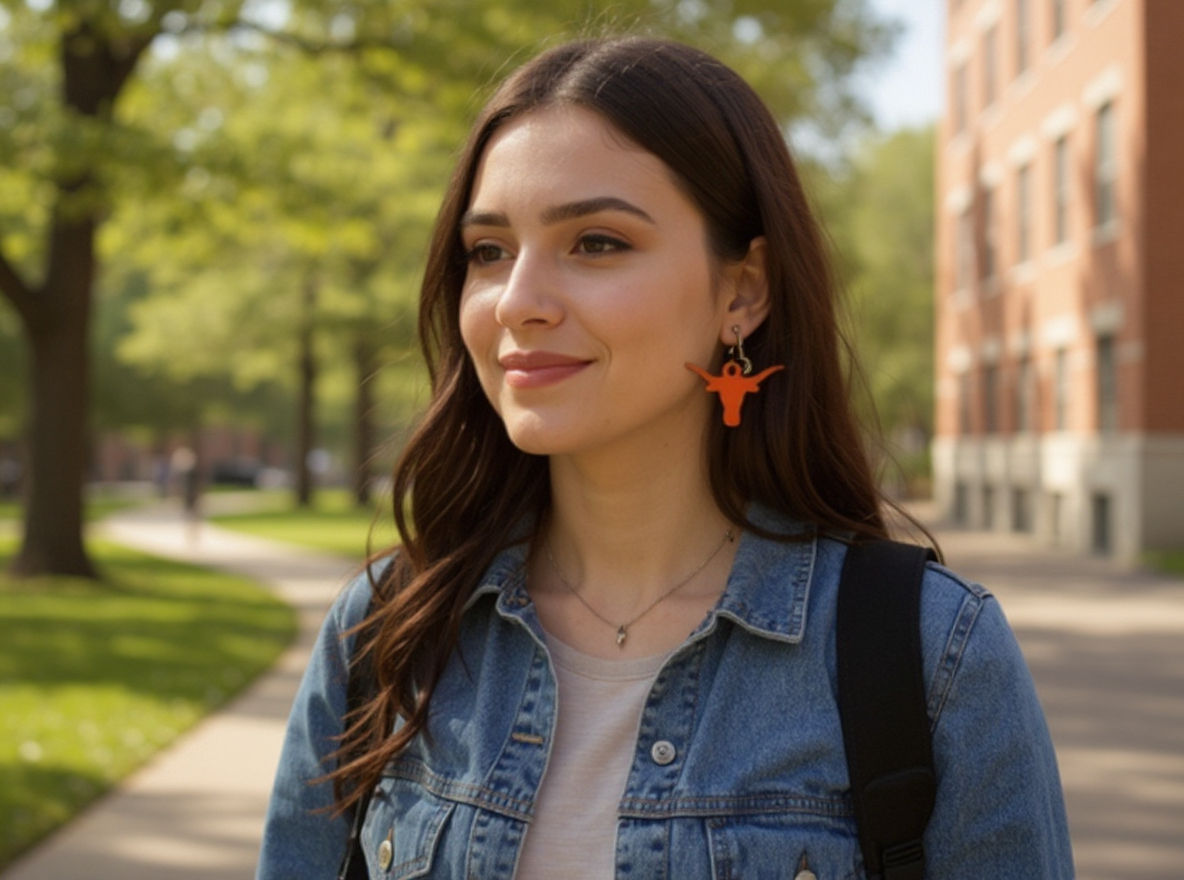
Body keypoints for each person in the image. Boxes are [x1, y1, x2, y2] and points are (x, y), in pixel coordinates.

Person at [257, 36, 1073, 879]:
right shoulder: (387, 634)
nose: (519, 302)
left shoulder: (934, 656)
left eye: (597, 242)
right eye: (489, 251)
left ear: (742, 292)